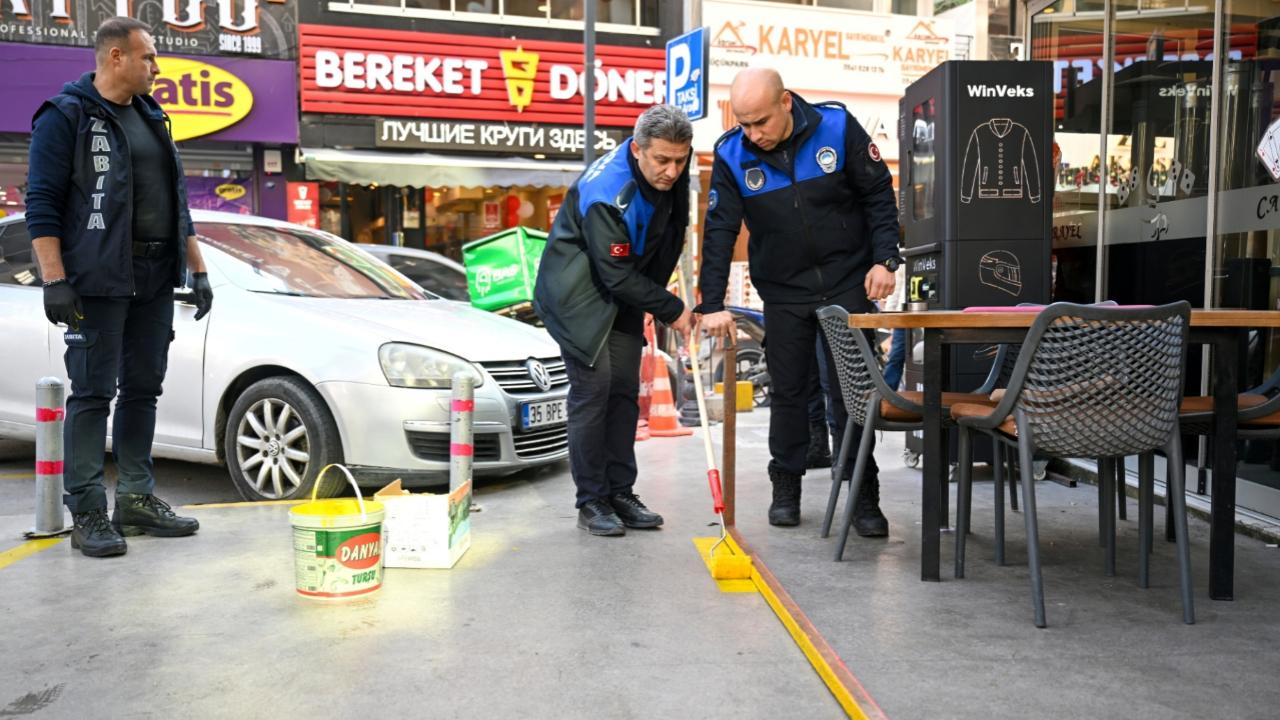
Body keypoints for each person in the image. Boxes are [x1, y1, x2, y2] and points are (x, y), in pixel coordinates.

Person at [26, 17, 212, 558]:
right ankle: (86, 508)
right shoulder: (66, 117)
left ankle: (134, 497)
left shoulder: (153, 117)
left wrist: (196, 269)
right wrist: (55, 279)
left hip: (154, 276)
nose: (156, 67)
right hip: (98, 279)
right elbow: (42, 205)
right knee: (91, 393)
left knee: (143, 389)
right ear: (115, 58)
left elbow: (177, 203)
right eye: (148, 57)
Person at [697, 68, 902, 532]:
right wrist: (711, 303)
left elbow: (877, 195)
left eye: (761, 122)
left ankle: (863, 495)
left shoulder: (836, 126)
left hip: (849, 283)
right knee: (788, 394)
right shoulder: (732, 154)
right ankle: (785, 487)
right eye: (744, 123)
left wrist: (885, 260)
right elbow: (719, 233)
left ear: (785, 101)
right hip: (784, 292)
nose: (754, 134)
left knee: (851, 395)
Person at [533, 105, 696, 536]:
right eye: (662, 160)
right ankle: (592, 501)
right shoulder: (607, 191)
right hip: (577, 293)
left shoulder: (674, 166)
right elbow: (614, 273)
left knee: (625, 390)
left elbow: (671, 228)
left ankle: (620, 490)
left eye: (680, 160)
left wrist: (655, 297)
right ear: (638, 149)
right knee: (594, 390)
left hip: (623, 288)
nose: (672, 171)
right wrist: (672, 308)